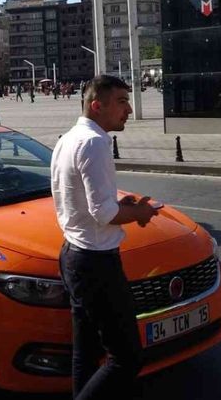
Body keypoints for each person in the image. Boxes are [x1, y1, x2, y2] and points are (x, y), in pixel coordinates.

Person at [52, 75, 158, 400]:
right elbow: (104, 214)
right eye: (122, 102)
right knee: (126, 357)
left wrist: (121, 206)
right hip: (96, 263)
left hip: (74, 254)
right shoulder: (95, 142)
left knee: (85, 351)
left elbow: (88, 204)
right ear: (97, 106)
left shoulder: (69, 138)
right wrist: (140, 213)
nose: (128, 109)